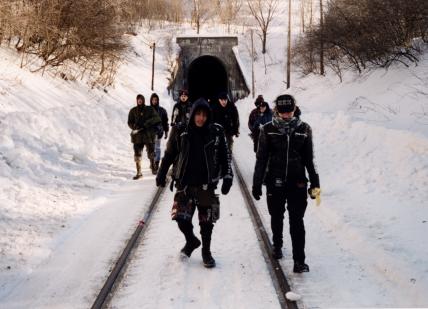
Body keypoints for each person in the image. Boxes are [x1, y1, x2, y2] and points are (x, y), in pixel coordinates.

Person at [156, 98, 233, 268]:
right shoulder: (180, 130)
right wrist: (161, 173)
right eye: (198, 114)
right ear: (192, 114)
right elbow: (169, 154)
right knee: (180, 218)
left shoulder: (216, 132)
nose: (201, 118)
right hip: (185, 185)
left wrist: (228, 176)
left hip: (207, 185)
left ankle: (206, 251)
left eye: (204, 115)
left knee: (207, 222)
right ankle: (191, 241)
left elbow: (225, 156)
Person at [252, 94, 320, 273]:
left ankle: (299, 260)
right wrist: (257, 183)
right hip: (275, 181)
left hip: (297, 183)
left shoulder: (304, 129)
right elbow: (261, 159)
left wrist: (315, 185)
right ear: (277, 111)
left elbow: (310, 160)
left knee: (297, 221)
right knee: (276, 216)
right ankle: (277, 244)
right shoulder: (267, 129)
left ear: (294, 109)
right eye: (283, 112)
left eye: (289, 111)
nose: (286, 115)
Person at [128, 94, 161, 179]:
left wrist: (146, 124)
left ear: (143, 100)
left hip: (148, 135)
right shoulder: (133, 111)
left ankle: (153, 166)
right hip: (137, 136)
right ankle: (139, 173)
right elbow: (129, 122)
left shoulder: (149, 109)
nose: (139, 101)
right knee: (137, 154)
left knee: (151, 152)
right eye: (138, 99)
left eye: (141, 99)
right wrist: (135, 126)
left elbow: (157, 118)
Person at [150, 93, 169, 173]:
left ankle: (156, 163)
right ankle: (152, 163)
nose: (154, 101)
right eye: (153, 100)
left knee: (157, 148)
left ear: (158, 101)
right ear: (151, 101)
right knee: (151, 149)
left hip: (158, 132)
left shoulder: (162, 110)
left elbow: (165, 122)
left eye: (156, 100)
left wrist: (166, 131)